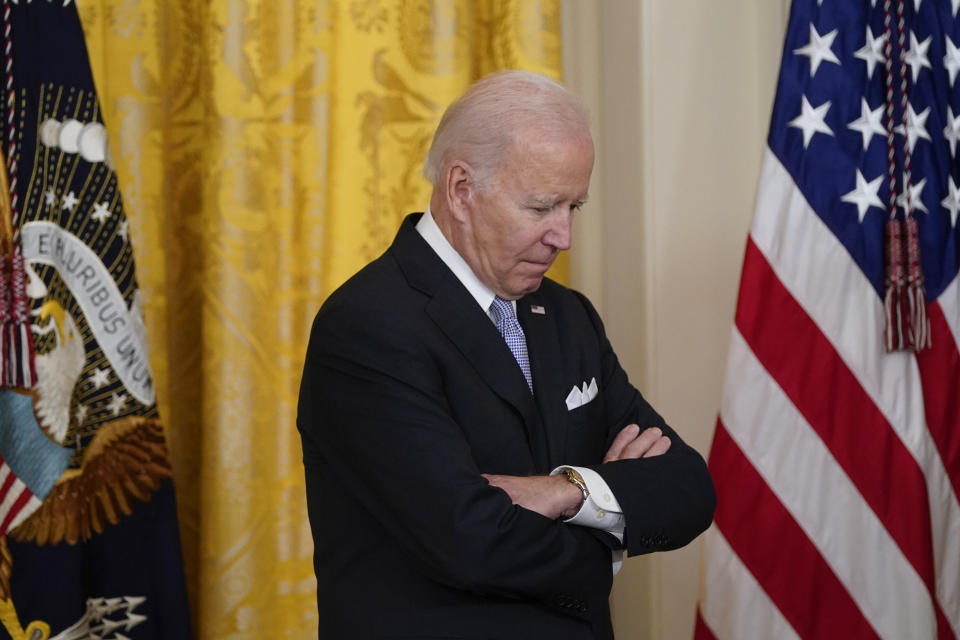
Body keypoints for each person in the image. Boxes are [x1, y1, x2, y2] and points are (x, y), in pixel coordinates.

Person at [297, 70, 715, 639]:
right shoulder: (368, 324)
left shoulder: (569, 317)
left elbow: (689, 487)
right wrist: (607, 537)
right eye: (542, 207)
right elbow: (471, 542)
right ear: (462, 190)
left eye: (575, 207)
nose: (563, 237)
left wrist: (570, 491)